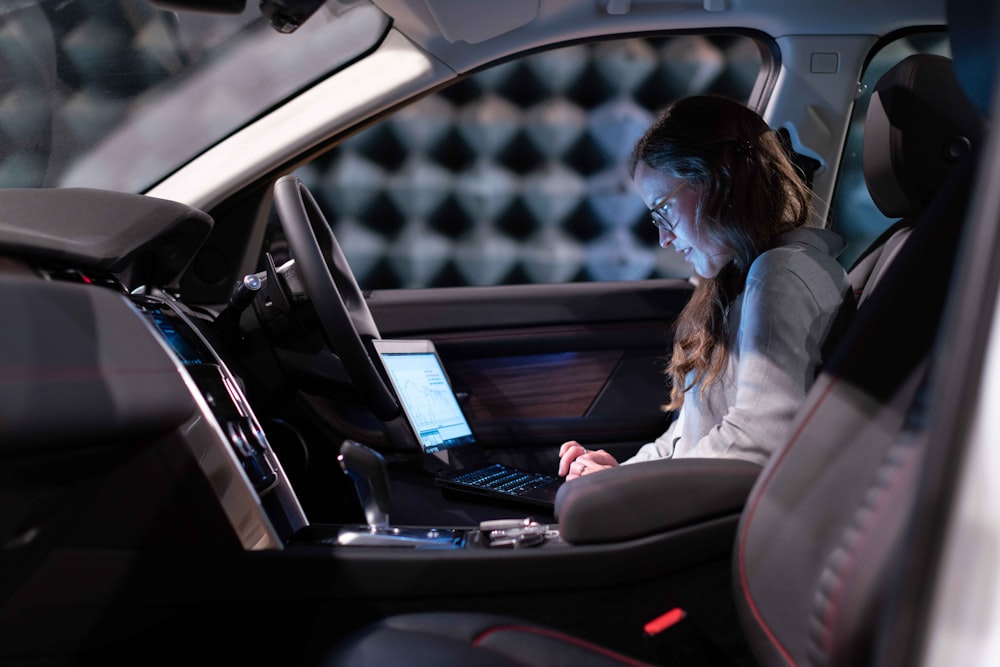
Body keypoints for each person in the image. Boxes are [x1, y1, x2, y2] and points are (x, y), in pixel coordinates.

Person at [559, 95, 853, 481]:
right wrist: (616, 477)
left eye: (663, 209)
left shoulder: (781, 274)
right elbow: (684, 439)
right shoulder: (734, 282)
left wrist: (631, 493)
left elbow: (758, 440)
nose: (663, 238)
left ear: (718, 182)